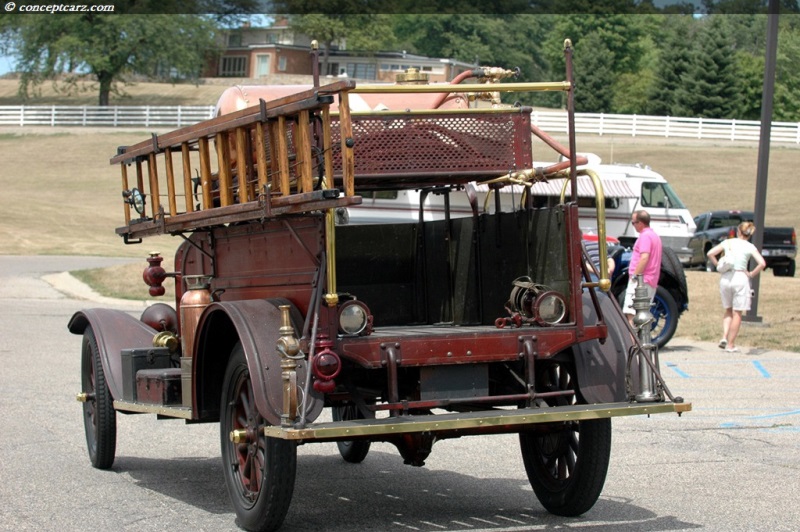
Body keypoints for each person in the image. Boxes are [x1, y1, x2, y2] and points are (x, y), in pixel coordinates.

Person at [706, 221, 766, 353]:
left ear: (738, 232)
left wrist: (718, 266)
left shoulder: (728, 242)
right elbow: (762, 263)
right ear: (749, 235)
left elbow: (710, 253)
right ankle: (731, 344)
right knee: (737, 312)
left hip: (726, 277)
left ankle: (724, 337)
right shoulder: (750, 246)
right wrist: (751, 274)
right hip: (740, 277)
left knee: (728, 310)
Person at [622, 210, 662, 326]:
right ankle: (640, 342)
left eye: (633, 223)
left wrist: (635, 275)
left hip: (641, 281)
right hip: (650, 280)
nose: (633, 225)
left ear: (640, 223)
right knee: (642, 316)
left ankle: (633, 343)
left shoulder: (645, 237)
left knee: (632, 315)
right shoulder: (655, 236)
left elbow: (644, 257)